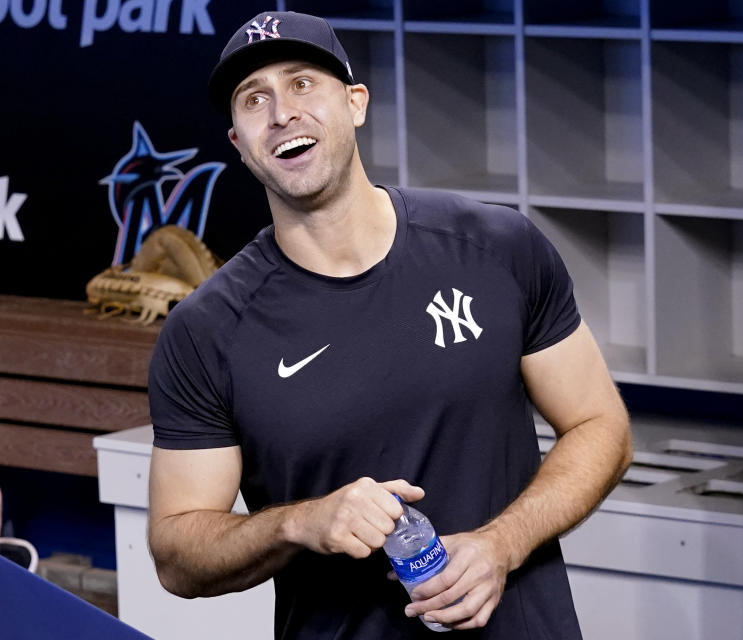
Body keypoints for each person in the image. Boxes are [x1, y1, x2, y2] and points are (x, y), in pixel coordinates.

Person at [146, 10, 632, 639]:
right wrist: (300, 522)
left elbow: (603, 428)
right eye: (253, 99)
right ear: (239, 143)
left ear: (355, 103)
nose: (281, 113)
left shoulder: (497, 247)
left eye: (302, 84)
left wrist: (501, 544)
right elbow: (177, 553)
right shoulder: (206, 330)